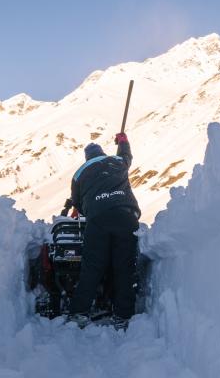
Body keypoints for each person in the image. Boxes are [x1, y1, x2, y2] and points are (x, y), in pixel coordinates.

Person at [65, 132, 141, 329]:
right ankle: (122, 316)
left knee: (92, 268)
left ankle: (79, 312)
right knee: (124, 268)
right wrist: (123, 140)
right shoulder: (116, 161)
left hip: (98, 219)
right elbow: (127, 155)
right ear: (102, 152)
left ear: (87, 157)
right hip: (126, 216)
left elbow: (78, 203)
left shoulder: (79, 173)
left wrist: (91, 208)